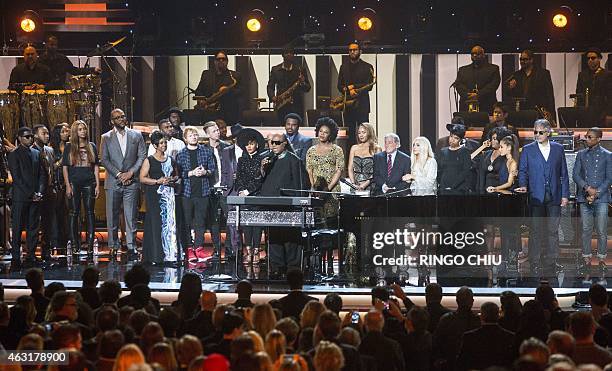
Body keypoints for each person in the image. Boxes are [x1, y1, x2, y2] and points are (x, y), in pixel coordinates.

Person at [516, 119, 569, 278]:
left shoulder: (558, 149)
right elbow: (523, 171)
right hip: (536, 195)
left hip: (554, 195)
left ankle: (552, 261)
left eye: (540, 132)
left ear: (548, 132)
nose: (537, 135)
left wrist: (565, 195)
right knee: (536, 230)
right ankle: (535, 261)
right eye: (535, 132)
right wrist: (523, 186)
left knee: (553, 231)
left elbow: (564, 174)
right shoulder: (527, 149)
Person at [260, 133, 310, 276]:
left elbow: (301, 183)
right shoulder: (268, 159)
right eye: (271, 143)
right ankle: (276, 267)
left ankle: (292, 268)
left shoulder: (294, 160)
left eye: (277, 143)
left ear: (284, 144)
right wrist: (263, 169)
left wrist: (299, 204)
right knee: (274, 236)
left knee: (290, 237)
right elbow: (262, 181)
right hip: (271, 204)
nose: (273, 145)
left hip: (289, 206)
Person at [100, 108, 146, 261]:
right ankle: (113, 246)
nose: (121, 119)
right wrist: (119, 174)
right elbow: (104, 159)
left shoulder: (136, 135)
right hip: (114, 181)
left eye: (123, 116)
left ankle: (132, 246)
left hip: (131, 182)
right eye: (117, 117)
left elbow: (141, 156)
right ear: (112, 121)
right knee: (112, 216)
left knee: (130, 215)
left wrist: (131, 173)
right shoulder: (105, 137)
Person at [306, 117, 344, 275]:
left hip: (332, 193)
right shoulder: (311, 150)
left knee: (331, 225)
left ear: (331, 134)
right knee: (319, 226)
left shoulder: (337, 150)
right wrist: (316, 189)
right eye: (320, 131)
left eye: (326, 132)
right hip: (316, 193)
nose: (322, 134)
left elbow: (339, 170)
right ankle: (319, 262)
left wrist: (328, 188)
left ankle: (330, 261)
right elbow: (310, 171)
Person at [573, 127, 612, 275]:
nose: (587, 139)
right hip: (585, 198)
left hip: (601, 198)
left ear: (598, 139)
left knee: (602, 231)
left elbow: (609, 178)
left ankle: (601, 260)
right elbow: (576, 175)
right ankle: (586, 260)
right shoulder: (581, 154)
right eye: (586, 136)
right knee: (586, 230)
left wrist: (596, 193)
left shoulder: (608, 155)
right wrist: (587, 188)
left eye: (590, 137)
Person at [8, 127, 47, 269]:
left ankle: (31, 255)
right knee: (17, 228)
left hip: (35, 197)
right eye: (27, 137)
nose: (30, 139)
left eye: (31, 136)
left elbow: (43, 175)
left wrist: (40, 192)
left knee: (33, 228)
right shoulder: (14, 155)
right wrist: (32, 194)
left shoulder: (37, 153)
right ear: (19, 138)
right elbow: (17, 178)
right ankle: (16, 258)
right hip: (21, 197)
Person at [176, 126, 216, 261]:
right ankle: (188, 248)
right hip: (187, 193)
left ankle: (198, 248)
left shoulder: (206, 152)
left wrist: (205, 172)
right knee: (186, 222)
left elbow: (212, 169)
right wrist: (191, 173)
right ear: (185, 138)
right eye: (191, 135)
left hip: (203, 192)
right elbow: (178, 174)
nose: (194, 137)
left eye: (195, 134)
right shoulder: (181, 154)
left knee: (200, 222)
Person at [140, 131, 179, 267]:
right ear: (155, 145)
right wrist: (157, 181)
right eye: (161, 143)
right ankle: (156, 255)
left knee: (169, 224)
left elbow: (176, 176)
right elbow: (142, 178)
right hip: (155, 195)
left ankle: (170, 255)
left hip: (169, 195)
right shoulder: (149, 160)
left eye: (165, 143)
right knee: (156, 224)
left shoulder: (170, 159)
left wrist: (172, 179)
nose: (164, 145)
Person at [62, 120, 100, 260]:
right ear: (75, 132)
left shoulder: (92, 146)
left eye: (84, 129)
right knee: (74, 212)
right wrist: (67, 185)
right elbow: (65, 167)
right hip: (74, 182)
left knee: (90, 213)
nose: (83, 131)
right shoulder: (69, 147)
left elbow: (95, 166)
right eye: (80, 129)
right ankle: (75, 245)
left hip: (89, 182)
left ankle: (90, 245)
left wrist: (97, 184)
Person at [234, 128, 265, 265]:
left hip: (257, 195)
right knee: (246, 224)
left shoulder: (262, 159)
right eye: (247, 144)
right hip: (244, 196)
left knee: (256, 224)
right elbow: (239, 177)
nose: (249, 147)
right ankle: (249, 251)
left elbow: (260, 179)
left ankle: (257, 251)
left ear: (257, 144)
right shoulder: (241, 160)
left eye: (251, 144)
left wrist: (248, 191)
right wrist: (241, 190)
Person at [456, 302, 515, 370]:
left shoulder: (469, 337)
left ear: (481, 316)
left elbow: (462, 363)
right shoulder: (510, 337)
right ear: (498, 316)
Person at [203, 121, 231, 260]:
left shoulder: (226, 147)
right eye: (214, 131)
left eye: (218, 130)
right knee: (213, 221)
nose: (217, 132)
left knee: (230, 218)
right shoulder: (204, 149)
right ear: (207, 134)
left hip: (226, 188)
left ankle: (231, 250)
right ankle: (216, 248)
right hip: (211, 188)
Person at [337, 42, 375, 145]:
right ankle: (350, 155)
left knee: (364, 131)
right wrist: (348, 90)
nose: (352, 52)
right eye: (350, 50)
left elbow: (370, 86)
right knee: (349, 133)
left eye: (355, 50)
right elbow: (339, 85)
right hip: (348, 105)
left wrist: (353, 87)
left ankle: (365, 154)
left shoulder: (368, 67)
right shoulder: (343, 67)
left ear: (360, 51)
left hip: (362, 104)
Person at [505, 49, 556, 120]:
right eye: (521, 59)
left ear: (531, 60)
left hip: (539, 111)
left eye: (525, 59)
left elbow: (549, 95)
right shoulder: (516, 75)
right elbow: (511, 95)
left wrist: (551, 114)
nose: (522, 61)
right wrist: (511, 88)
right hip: (522, 111)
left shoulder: (543, 73)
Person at [194, 50, 242, 124]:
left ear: (227, 61)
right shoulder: (206, 74)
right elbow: (198, 91)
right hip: (209, 113)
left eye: (223, 59)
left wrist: (228, 91)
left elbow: (241, 92)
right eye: (218, 59)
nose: (221, 61)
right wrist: (201, 101)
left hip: (227, 114)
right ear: (214, 61)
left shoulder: (235, 75)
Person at [32, 125, 57, 263]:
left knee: (48, 223)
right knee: (35, 223)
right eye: (44, 133)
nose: (47, 136)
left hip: (49, 191)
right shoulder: (31, 151)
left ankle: (46, 251)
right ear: (36, 135)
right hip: (36, 192)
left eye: (48, 133)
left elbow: (51, 170)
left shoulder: (50, 150)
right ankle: (32, 252)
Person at [267, 47, 311, 121]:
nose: (289, 55)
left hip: (296, 106)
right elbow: (270, 87)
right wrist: (272, 97)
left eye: (291, 53)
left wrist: (302, 82)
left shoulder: (300, 69)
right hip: (281, 105)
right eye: (286, 53)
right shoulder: (275, 69)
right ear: (283, 55)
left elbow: (308, 88)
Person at [453, 45, 501, 113]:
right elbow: (459, 85)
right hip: (466, 106)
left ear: (483, 55)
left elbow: (493, 85)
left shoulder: (493, 69)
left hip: (486, 106)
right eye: (472, 54)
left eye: (478, 53)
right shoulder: (463, 70)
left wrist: (478, 95)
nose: (475, 55)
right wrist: (469, 95)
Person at [49, 123, 70, 254]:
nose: (66, 133)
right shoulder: (51, 149)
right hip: (56, 184)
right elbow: (52, 167)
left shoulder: (69, 147)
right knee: (56, 214)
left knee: (68, 213)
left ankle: (68, 240)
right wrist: (63, 159)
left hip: (68, 184)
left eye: (67, 131)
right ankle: (55, 242)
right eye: (63, 131)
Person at [576, 48, 612, 125]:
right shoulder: (582, 75)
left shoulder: (607, 75)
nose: (590, 60)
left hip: (602, 111)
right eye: (588, 58)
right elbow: (578, 93)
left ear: (599, 59)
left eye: (593, 58)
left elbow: (610, 95)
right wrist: (578, 112)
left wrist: (609, 114)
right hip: (586, 111)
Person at [437, 123, 473, 194]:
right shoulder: (443, 151)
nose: (452, 140)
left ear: (461, 140)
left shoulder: (465, 151)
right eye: (451, 136)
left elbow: (465, 172)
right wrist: (441, 185)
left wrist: (453, 186)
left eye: (456, 138)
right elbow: (440, 170)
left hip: (459, 189)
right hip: (444, 188)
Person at [347, 122, 381, 192]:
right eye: (359, 133)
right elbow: (350, 168)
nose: (361, 135)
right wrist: (353, 184)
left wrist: (364, 185)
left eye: (363, 132)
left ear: (369, 133)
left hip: (371, 186)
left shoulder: (376, 148)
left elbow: (377, 171)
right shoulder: (354, 148)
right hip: (355, 186)